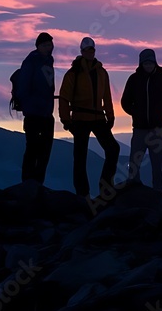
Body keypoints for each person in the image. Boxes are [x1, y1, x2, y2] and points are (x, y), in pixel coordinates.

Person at [59, 37, 120, 198]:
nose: (89, 52)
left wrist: (110, 116)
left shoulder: (101, 72)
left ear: (94, 50)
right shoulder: (73, 73)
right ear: (82, 51)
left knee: (113, 149)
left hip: (98, 118)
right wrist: (66, 120)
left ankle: (105, 186)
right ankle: (83, 194)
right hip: (80, 119)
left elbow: (106, 96)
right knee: (80, 157)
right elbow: (64, 98)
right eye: (86, 50)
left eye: (91, 50)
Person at [121, 48, 162, 193]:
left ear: (155, 62)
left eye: (150, 63)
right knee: (135, 159)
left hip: (158, 128)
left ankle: (158, 190)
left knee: (157, 161)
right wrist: (135, 113)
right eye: (146, 63)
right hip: (140, 127)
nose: (148, 65)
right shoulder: (134, 79)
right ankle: (133, 185)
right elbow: (125, 101)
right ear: (141, 64)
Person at [18, 32, 56, 184]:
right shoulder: (31, 61)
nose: (49, 48)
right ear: (38, 46)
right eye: (45, 45)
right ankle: (28, 183)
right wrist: (30, 106)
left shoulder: (49, 61)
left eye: (50, 45)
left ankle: (38, 183)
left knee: (44, 151)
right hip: (34, 114)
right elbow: (23, 88)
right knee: (33, 149)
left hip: (46, 113)